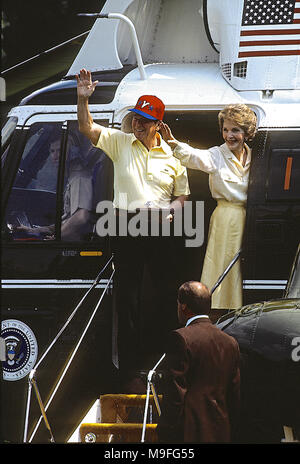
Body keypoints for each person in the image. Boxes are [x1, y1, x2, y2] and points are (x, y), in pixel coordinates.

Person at [76, 68, 190, 388]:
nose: (138, 124)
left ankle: (167, 362)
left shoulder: (173, 154)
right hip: (126, 225)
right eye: (136, 118)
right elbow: (86, 128)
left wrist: (170, 211)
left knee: (166, 294)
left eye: (145, 120)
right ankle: (130, 368)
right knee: (127, 297)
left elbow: (183, 196)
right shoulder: (120, 141)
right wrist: (82, 99)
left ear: (158, 125)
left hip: (161, 228)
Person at [160, 104, 257, 310]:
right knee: (222, 265)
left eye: (235, 130)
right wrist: (174, 144)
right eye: (225, 129)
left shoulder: (255, 157)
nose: (229, 135)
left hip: (249, 218)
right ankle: (219, 310)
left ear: (247, 133)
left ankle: (241, 308)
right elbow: (196, 156)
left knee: (243, 268)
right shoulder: (217, 155)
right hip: (225, 218)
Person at [157, 281, 240, 443]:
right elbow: (234, 396)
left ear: (184, 307)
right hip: (221, 433)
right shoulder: (231, 343)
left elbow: (175, 394)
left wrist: (165, 432)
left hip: (188, 434)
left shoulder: (180, 338)